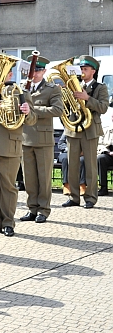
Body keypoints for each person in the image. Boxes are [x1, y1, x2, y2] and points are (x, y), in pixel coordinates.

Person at [0, 57, 36, 237]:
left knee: (8, 186)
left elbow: (32, 119)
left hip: (9, 145)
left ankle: (8, 222)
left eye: (2, 72)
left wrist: (27, 113)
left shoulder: (19, 92)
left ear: (11, 74)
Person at [20, 54, 63, 223]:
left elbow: (58, 110)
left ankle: (43, 210)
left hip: (43, 138)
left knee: (44, 177)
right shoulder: (24, 88)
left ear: (44, 71)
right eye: (32, 70)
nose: (35, 73)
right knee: (29, 177)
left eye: (38, 70)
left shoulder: (52, 89)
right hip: (25, 137)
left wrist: (32, 109)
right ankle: (32, 208)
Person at [64, 55, 109, 208]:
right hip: (74, 129)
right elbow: (66, 106)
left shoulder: (100, 87)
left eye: (85, 69)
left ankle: (90, 197)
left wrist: (87, 98)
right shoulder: (73, 84)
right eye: (81, 69)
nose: (82, 72)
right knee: (73, 165)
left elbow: (103, 107)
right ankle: (74, 197)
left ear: (93, 71)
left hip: (90, 130)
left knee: (90, 165)